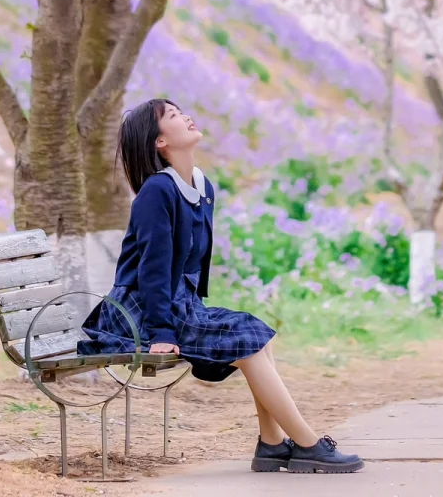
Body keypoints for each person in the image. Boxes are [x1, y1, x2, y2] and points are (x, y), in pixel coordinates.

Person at [79, 97, 363, 474]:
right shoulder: (156, 192)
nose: (187, 117)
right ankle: (308, 445)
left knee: (255, 334)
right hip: (138, 311)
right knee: (245, 343)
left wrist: (190, 309)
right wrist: (161, 330)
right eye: (175, 116)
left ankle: (273, 444)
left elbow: (192, 262)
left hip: (177, 302)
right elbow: (152, 268)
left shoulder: (202, 186)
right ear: (159, 142)